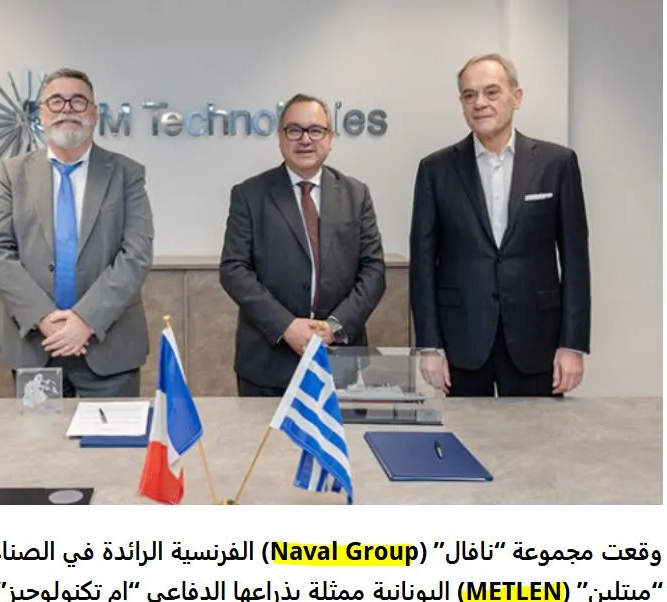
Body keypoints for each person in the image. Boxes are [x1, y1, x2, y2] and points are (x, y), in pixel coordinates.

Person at [410, 53, 591, 397]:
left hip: (536, 339)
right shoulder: (435, 169)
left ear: (516, 97)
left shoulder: (557, 164)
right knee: (465, 431)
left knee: (536, 431)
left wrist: (572, 344)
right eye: (469, 95)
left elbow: (575, 261)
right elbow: (422, 264)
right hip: (462, 340)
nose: (480, 103)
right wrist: (430, 346)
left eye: (491, 92)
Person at [0, 67, 154, 397]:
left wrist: (86, 320)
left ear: (94, 112)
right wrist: (44, 317)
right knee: (39, 433)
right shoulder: (12, 174)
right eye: (57, 101)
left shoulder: (126, 173)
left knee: (110, 435)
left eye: (78, 101)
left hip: (109, 349)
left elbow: (136, 254)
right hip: (36, 345)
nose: (67, 109)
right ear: (41, 113)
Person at [219, 93, 386, 397]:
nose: (305, 139)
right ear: (281, 138)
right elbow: (234, 270)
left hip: (339, 361)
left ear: (330, 137)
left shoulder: (356, 194)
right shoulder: (249, 194)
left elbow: (373, 270)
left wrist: (335, 326)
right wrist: (286, 326)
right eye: (294, 130)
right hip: (268, 365)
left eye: (315, 130)